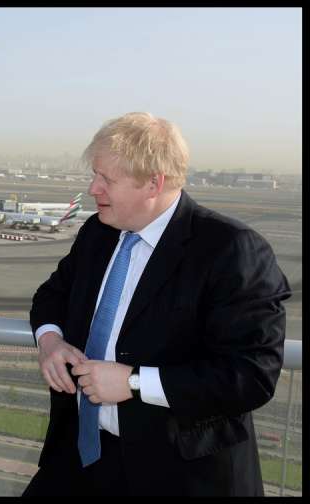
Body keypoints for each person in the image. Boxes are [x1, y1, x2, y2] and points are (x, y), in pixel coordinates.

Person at [24, 112, 290, 496]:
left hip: (178, 474)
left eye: (106, 179)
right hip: (81, 459)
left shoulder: (230, 249)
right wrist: (50, 341)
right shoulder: (98, 232)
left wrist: (133, 382)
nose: (92, 188)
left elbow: (251, 376)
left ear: (154, 183)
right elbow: (51, 295)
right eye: (95, 174)